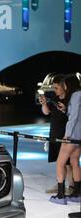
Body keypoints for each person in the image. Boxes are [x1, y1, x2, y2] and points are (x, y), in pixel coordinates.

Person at [38, 74, 74, 194]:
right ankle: (61, 185)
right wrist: (44, 103)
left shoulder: (70, 100)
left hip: (66, 136)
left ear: (64, 87)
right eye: (54, 88)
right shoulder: (54, 99)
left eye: (57, 88)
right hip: (54, 133)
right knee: (60, 163)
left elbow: (74, 116)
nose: (55, 90)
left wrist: (65, 109)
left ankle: (72, 187)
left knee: (68, 164)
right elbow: (46, 112)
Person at [49, 74, 81, 204]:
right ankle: (78, 193)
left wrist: (67, 134)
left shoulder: (75, 95)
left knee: (60, 163)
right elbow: (76, 114)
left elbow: (73, 118)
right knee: (74, 162)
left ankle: (60, 196)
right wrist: (65, 109)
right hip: (79, 137)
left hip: (72, 136)